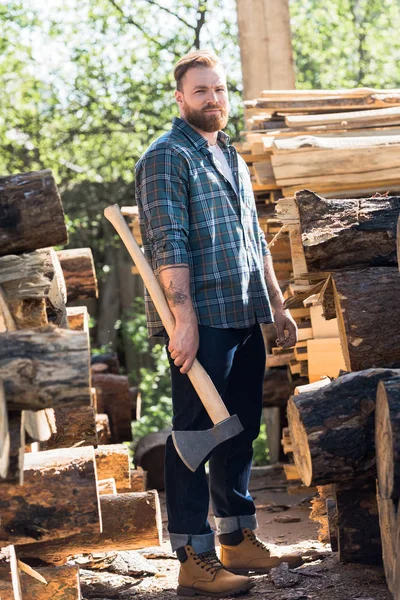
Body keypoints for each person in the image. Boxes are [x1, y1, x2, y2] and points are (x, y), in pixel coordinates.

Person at [135, 49, 299, 598]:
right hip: (202, 322)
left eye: (220, 89)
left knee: (240, 430)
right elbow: (167, 242)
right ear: (179, 98)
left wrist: (277, 306)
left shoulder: (230, 157)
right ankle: (192, 555)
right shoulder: (166, 157)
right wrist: (184, 320)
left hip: (247, 311)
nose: (213, 99)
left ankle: (236, 536)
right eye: (201, 90)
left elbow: (255, 242)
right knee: (195, 439)